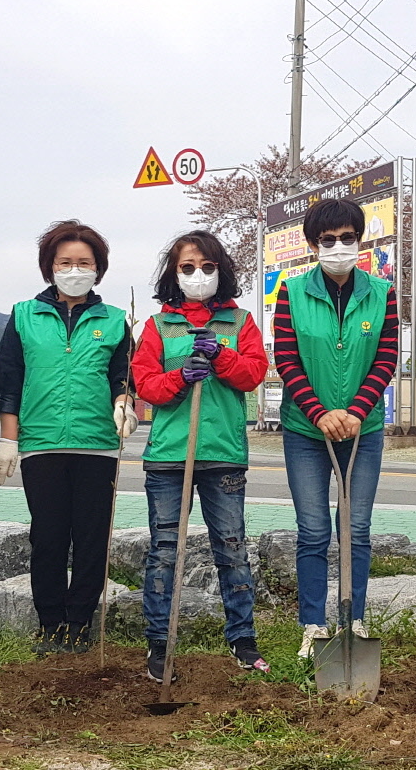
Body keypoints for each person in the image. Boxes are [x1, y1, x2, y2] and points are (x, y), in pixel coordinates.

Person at [0, 221, 136, 655]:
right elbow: (10, 381)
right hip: (42, 444)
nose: (75, 269)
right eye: (65, 262)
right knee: (49, 538)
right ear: (49, 267)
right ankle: (50, 624)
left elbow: (121, 376)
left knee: (92, 540)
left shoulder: (113, 320)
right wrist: (9, 439)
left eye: (84, 263)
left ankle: (80, 624)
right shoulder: (23, 316)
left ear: (99, 269)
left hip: (98, 446)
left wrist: (123, 403)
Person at [131, 230, 270, 681]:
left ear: (221, 270)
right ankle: (158, 642)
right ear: (174, 273)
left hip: (224, 453)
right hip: (170, 456)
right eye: (188, 267)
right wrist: (179, 376)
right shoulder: (157, 326)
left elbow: (254, 374)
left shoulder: (240, 321)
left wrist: (221, 360)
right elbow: (145, 383)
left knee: (231, 547)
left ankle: (243, 640)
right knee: (165, 551)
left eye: (207, 267)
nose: (198, 275)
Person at [275, 198, 399, 659]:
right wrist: (319, 412)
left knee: (356, 527)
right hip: (306, 432)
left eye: (348, 238)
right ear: (313, 245)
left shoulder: (382, 293)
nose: (339, 247)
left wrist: (356, 410)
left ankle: (354, 618)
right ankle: (313, 623)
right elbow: (286, 358)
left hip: (362, 430)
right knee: (312, 530)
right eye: (328, 240)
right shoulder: (292, 292)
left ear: (360, 241)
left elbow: (386, 357)